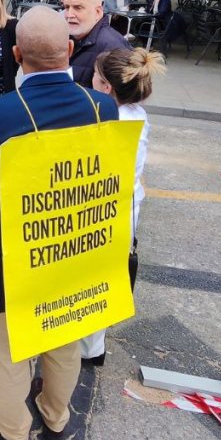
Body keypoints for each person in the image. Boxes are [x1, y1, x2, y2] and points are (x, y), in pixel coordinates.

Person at [0, 6, 119, 440]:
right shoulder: (102, 107)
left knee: (8, 350)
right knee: (64, 337)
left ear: (16, 54)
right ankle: (56, 416)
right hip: (74, 254)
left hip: (9, 259)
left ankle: (14, 428)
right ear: (68, 50)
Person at [79, 47, 165, 366]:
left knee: (87, 278)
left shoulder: (105, 119)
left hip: (102, 212)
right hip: (125, 211)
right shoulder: (137, 115)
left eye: (96, 76)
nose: (90, 78)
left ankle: (85, 349)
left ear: (107, 88)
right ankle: (94, 347)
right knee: (102, 278)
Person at [64, 0, 130, 87]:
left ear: (98, 12)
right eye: (67, 7)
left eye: (78, 8)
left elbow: (119, 99)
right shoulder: (63, 37)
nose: (69, 15)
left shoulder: (113, 48)